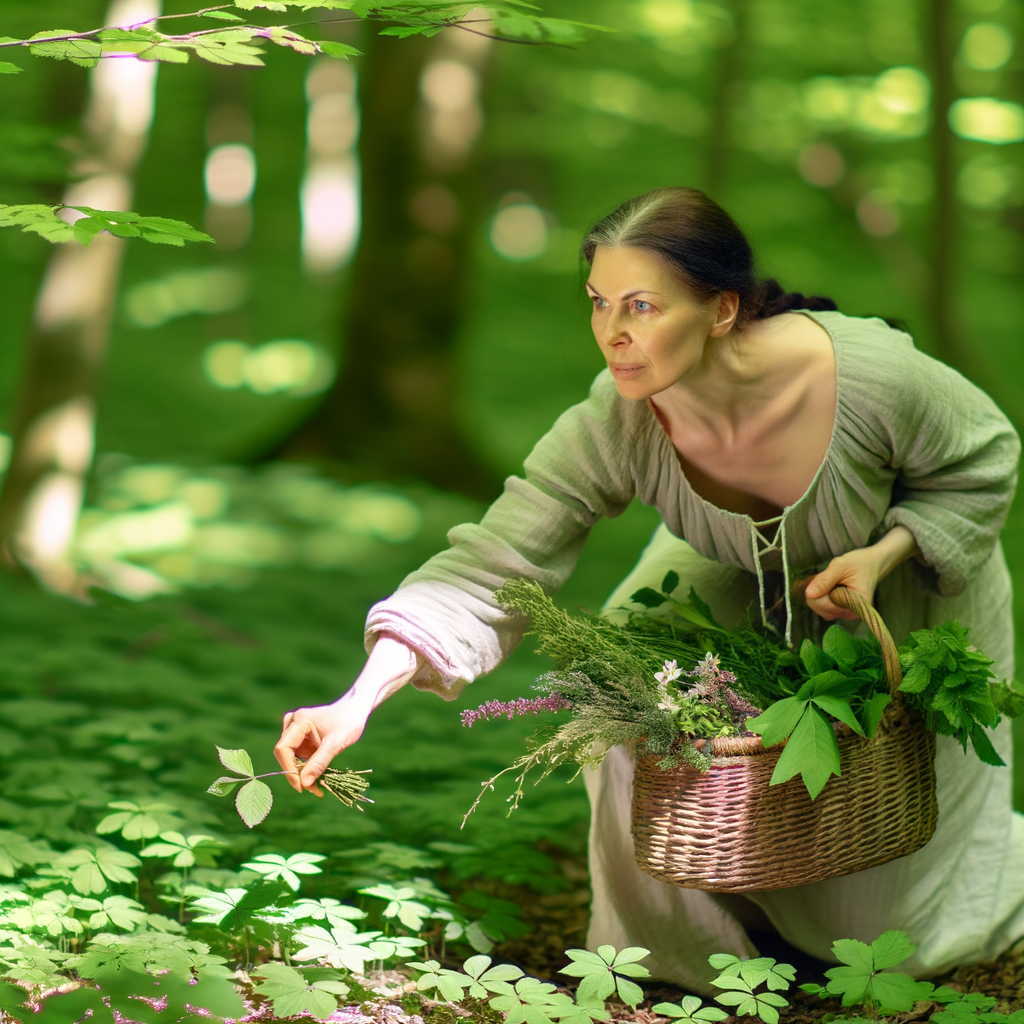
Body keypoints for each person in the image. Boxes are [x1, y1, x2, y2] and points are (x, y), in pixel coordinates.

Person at [274, 187, 1024, 991]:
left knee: (880, 926)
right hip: (733, 569)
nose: (612, 332)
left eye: (642, 305)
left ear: (722, 310)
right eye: (599, 304)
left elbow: (983, 463)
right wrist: (354, 702)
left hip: (901, 583)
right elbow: (496, 561)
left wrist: (885, 553)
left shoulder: (872, 378)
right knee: (618, 682)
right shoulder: (619, 419)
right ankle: (679, 963)